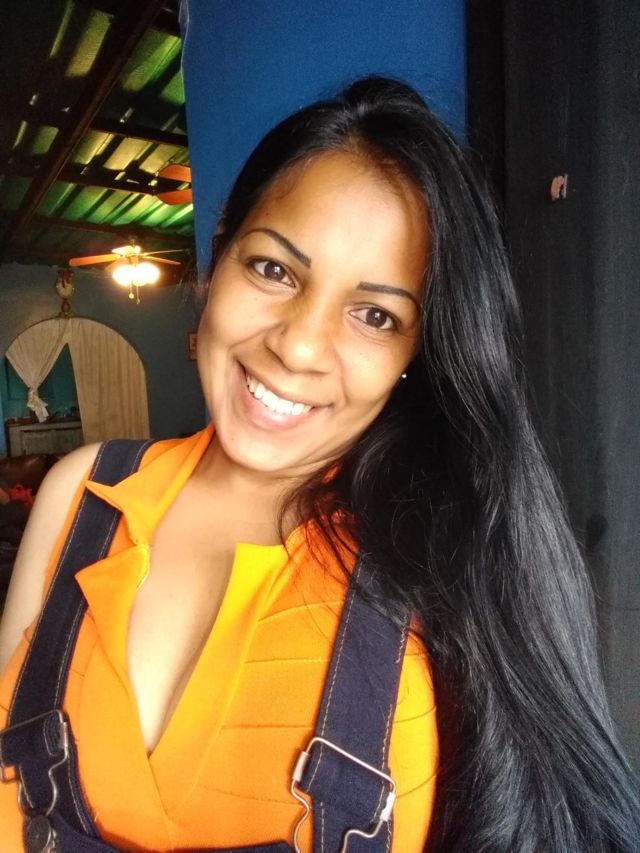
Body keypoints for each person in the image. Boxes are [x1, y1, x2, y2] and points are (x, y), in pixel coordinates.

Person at [0, 77, 638, 853]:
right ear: (218, 260)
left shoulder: (453, 558)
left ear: (417, 351)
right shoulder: (83, 493)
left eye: (375, 315)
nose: (299, 345)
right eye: (274, 270)